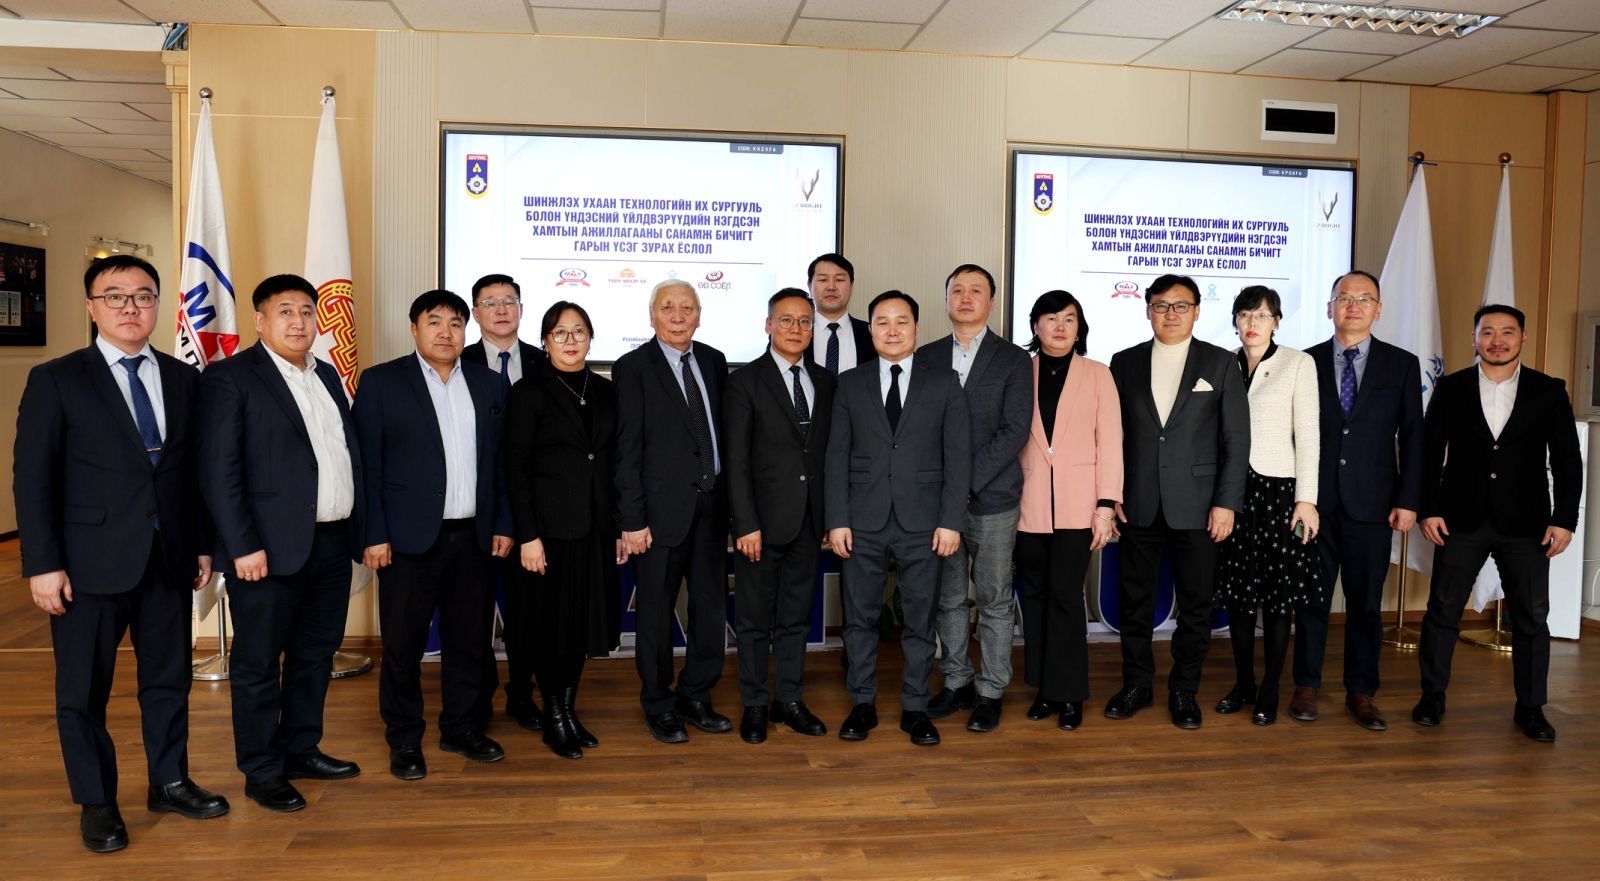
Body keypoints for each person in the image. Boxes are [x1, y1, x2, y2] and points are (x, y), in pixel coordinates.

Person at [15, 255, 228, 852]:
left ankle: (170, 781)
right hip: (87, 563)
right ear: (91, 307)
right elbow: (32, 479)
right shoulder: (57, 379)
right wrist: (42, 563)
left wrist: (202, 545)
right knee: (83, 691)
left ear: (159, 304)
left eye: (143, 295)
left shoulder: (184, 377)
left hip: (168, 558)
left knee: (169, 680)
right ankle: (97, 801)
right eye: (115, 296)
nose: (130, 307)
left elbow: (191, 474)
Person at [198, 273, 364, 813]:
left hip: (331, 543)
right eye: (286, 311)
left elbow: (340, 457)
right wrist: (242, 545)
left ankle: (301, 749)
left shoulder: (328, 375)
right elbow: (220, 470)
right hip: (265, 552)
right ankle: (262, 770)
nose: (299, 322)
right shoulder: (231, 377)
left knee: (314, 656)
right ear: (260, 321)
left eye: (307, 312)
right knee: (258, 664)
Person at [353, 289, 515, 779]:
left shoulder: (489, 384)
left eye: (456, 323)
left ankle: (460, 728)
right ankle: (404, 738)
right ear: (414, 329)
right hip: (406, 542)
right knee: (403, 646)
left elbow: (502, 464)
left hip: (474, 538)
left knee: (469, 641)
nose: (446, 332)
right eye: (435, 321)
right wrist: (373, 534)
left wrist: (504, 523)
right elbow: (367, 467)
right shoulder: (382, 382)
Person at [1415, 304, 1581, 743]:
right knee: (1442, 611)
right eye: (1487, 332)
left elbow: (1568, 460)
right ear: (1474, 338)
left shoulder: (1548, 391)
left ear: (1522, 338)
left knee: (1531, 618)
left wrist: (1564, 520)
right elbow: (1429, 454)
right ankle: (1432, 697)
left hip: (1526, 525)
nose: (1497, 341)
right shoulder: (1451, 388)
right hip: (1459, 519)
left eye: (1507, 332)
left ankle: (1531, 708)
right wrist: (1429, 508)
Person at [826, 290, 970, 746]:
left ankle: (915, 707)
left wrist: (951, 520)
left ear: (916, 328)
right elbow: (836, 456)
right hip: (861, 521)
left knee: (920, 620)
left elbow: (958, 458)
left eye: (901, 321)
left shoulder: (943, 382)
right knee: (859, 618)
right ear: (870, 330)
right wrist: (837, 519)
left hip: (924, 522)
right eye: (882, 322)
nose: (892, 330)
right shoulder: (850, 383)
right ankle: (862, 704)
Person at [1106, 274, 1249, 730]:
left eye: (1181, 305)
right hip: (1139, 501)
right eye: (1161, 305)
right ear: (1147, 309)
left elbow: (1236, 440)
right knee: (1134, 601)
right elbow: (1112, 437)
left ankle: (1184, 690)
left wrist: (1226, 503)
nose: (1171, 314)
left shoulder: (1221, 362)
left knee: (1196, 604)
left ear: (1197, 312)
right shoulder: (1123, 362)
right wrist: (1112, 494)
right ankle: (1137, 684)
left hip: (1200, 505)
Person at [1296, 270, 1423, 730]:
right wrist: (1298, 497)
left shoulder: (1401, 364)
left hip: (1373, 504)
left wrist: (1409, 500)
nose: (1353, 306)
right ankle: (1306, 686)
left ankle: (1362, 692)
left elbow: (1414, 436)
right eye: (1344, 298)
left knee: (1365, 606)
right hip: (1314, 504)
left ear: (1378, 310)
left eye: (1364, 298)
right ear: (1329, 307)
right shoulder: (1304, 362)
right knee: (1311, 600)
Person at [505, 301, 626, 759]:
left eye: (579, 332)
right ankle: (554, 716)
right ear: (545, 342)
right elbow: (515, 469)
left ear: (590, 338)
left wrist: (619, 526)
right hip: (547, 534)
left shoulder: (606, 390)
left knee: (579, 628)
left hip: (594, 530)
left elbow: (612, 462)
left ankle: (568, 710)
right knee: (549, 629)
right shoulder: (528, 392)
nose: (570, 340)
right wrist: (528, 536)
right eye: (560, 333)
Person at [614, 279, 732, 743]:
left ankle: (696, 694)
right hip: (659, 516)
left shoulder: (714, 361)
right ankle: (658, 702)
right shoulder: (632, 368)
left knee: (709, 609)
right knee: (656, 615)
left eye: (687, 307)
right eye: (668, 307)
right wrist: (632, 519)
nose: (678, 316)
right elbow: (626, 450)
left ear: (699, 315)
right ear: (652, 316)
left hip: (712, 509)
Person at [920, 264, 1032, 732]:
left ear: (991, 302)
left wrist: (963, 484)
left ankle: (991, 690)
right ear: (946, 299)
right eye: (957, 290)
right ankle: (957, 681)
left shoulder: (1013, 360)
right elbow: (917, 430)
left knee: (994, 600)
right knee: (947, 598)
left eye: (976, 291)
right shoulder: (925, 356)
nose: (966, 298)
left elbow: (1014, 431)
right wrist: (945, 489)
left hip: (992, 499)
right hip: (936, 504)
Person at [725, 289, 836, 744]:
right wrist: (745, 523)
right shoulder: (744, 382)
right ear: (768, 325)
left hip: (809, 522)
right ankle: (755, 703)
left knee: (795, 618)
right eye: (786, 320)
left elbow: (827, 455)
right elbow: (736, 460)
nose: (796, 329)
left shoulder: (826, 381)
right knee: (753, 621)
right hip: (761, 525)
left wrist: (829, 517)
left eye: (805, 321)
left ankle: (789, 700)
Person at [1013, 290, 1121, 732]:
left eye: (1069, 318)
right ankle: (1044, 689)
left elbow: (1111, 444)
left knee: (1065, 597)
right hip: (1028, 505)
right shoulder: (1019, 371)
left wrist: (1106, 505)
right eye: (1051, 318)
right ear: (1035, 326)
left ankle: (1070, 693)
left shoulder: (1098, 375)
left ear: (1080, 328)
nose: (1060, 326)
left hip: (1080, 507)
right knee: (1034, 598)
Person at [1212, 286, 1320, 726]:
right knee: (1238, 595)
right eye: (1244, 315)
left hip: (1279, 492)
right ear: (1235, 321)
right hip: (1231, 492)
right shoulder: (1222, 363)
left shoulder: (1298, 363)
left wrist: (1306, 499)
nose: (1252, 323)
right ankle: (1244, 684)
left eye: (1261, 315)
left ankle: (1271, 688)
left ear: (1276, 321)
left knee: (1277, 598)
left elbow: (1308, 435)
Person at [462, 272, 544, 733]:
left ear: (521, 309)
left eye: (509, 301)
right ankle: (479, 695)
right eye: (490, 302)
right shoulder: (458, 360)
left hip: (532, 512)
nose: (500, 310)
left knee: (526, 613)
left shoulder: (543, 360)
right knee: (473, 612)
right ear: (475, 313)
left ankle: (521, 694)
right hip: (476, 508)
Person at [808, 253, 873, 376]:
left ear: (851, 286)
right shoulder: (796, 333)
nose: (831, 287)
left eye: (839, 280)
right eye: (823, 280)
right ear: (809, 285)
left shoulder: (871, 333)